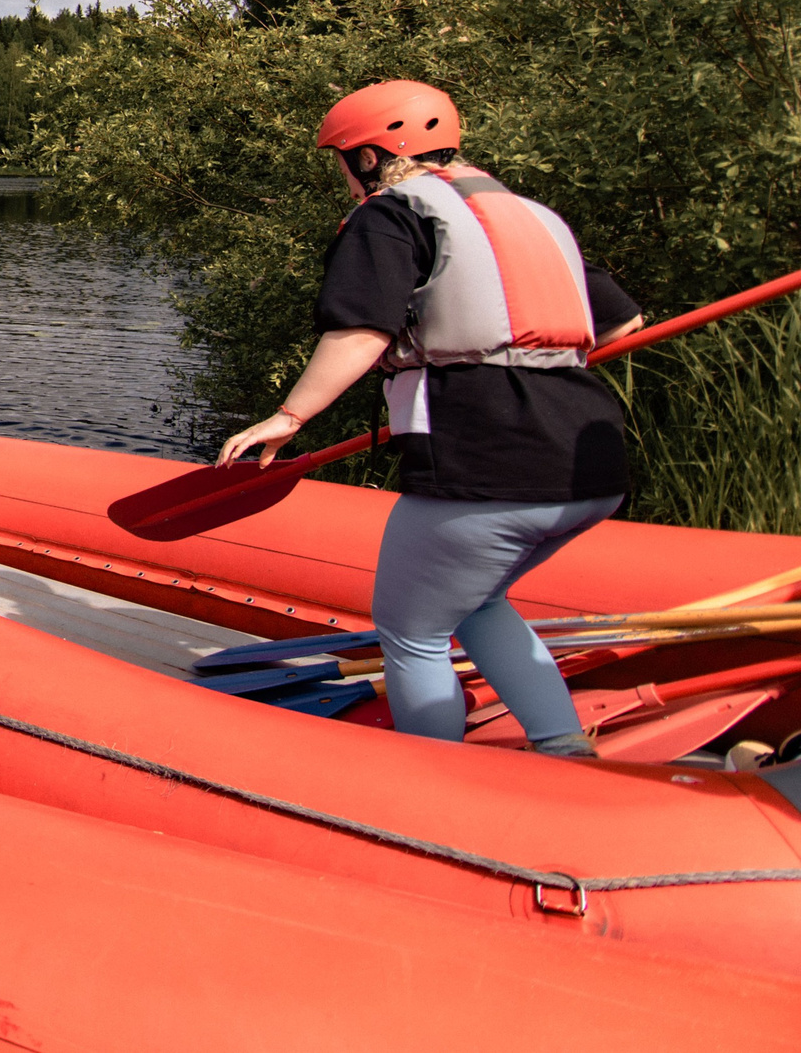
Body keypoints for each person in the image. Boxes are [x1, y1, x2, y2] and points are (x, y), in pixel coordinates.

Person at [216, 79, 646, 755]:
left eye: (342, 160)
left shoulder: (392, 215)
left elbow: (360, 332)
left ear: (369, 157)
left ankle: (433, 779)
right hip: (592, 465)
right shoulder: (528, 214)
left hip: (487, 464)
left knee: (411, 628)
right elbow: (623, 323)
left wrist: (289, 414)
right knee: (471, 602)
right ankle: (564, 748)